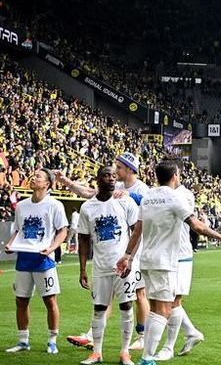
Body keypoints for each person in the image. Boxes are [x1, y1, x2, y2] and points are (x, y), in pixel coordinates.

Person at [115, 160, 221, 365]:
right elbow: (197, 225)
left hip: (146, 260)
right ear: (175, 176)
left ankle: (156, 351)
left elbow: (137, 230)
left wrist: (127, 255)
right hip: (165, 261)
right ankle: (147, 358)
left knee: (155, 308)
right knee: (164, 310)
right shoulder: (175, 198)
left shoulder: (148, 197)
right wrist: (219, 236)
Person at [66, 152, 152, 351]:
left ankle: (143, 336)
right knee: (108, 295)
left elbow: (147, 208)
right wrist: (68, 183)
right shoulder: (117, 188)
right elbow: (93, 193)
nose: (115, 173)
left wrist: (132, 196)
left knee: (139, 293)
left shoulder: (140, 189)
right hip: (114, 254)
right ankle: (92, 335)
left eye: (119, 168)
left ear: (129, 169)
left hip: (135, 251)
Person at [72, 166, 139, 365]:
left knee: (126, 306)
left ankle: (125, 352)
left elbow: (137, 232)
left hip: (124, 266)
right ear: (98, 179)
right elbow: (83, 239)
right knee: (99, 308)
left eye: (113, 175)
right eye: (106, 175)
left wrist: (130, 259)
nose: (111, 178)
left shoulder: (125, 202)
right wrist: (82, 269)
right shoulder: (87, 207)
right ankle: (97, 353)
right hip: (100, 267)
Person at [4, 168, 69, 354]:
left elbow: (63, 230)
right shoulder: (22, 206)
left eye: (38, 177)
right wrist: (10, 244)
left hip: (44, 259)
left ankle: (52, 341)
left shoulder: (55, 205)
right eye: (33, 175)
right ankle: (23, 341)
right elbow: (19, 230)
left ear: (47, 184)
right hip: (24, 258)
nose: (33, 178)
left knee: (50, 300)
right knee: (21, 301)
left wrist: (52, 248)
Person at [154, 183, 206, 360]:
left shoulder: (184, 194)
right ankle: (192, 333)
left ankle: (168, 348)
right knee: (166, 300)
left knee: (173, 300)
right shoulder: (160, 193)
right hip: (165, 253)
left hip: (180, 253)